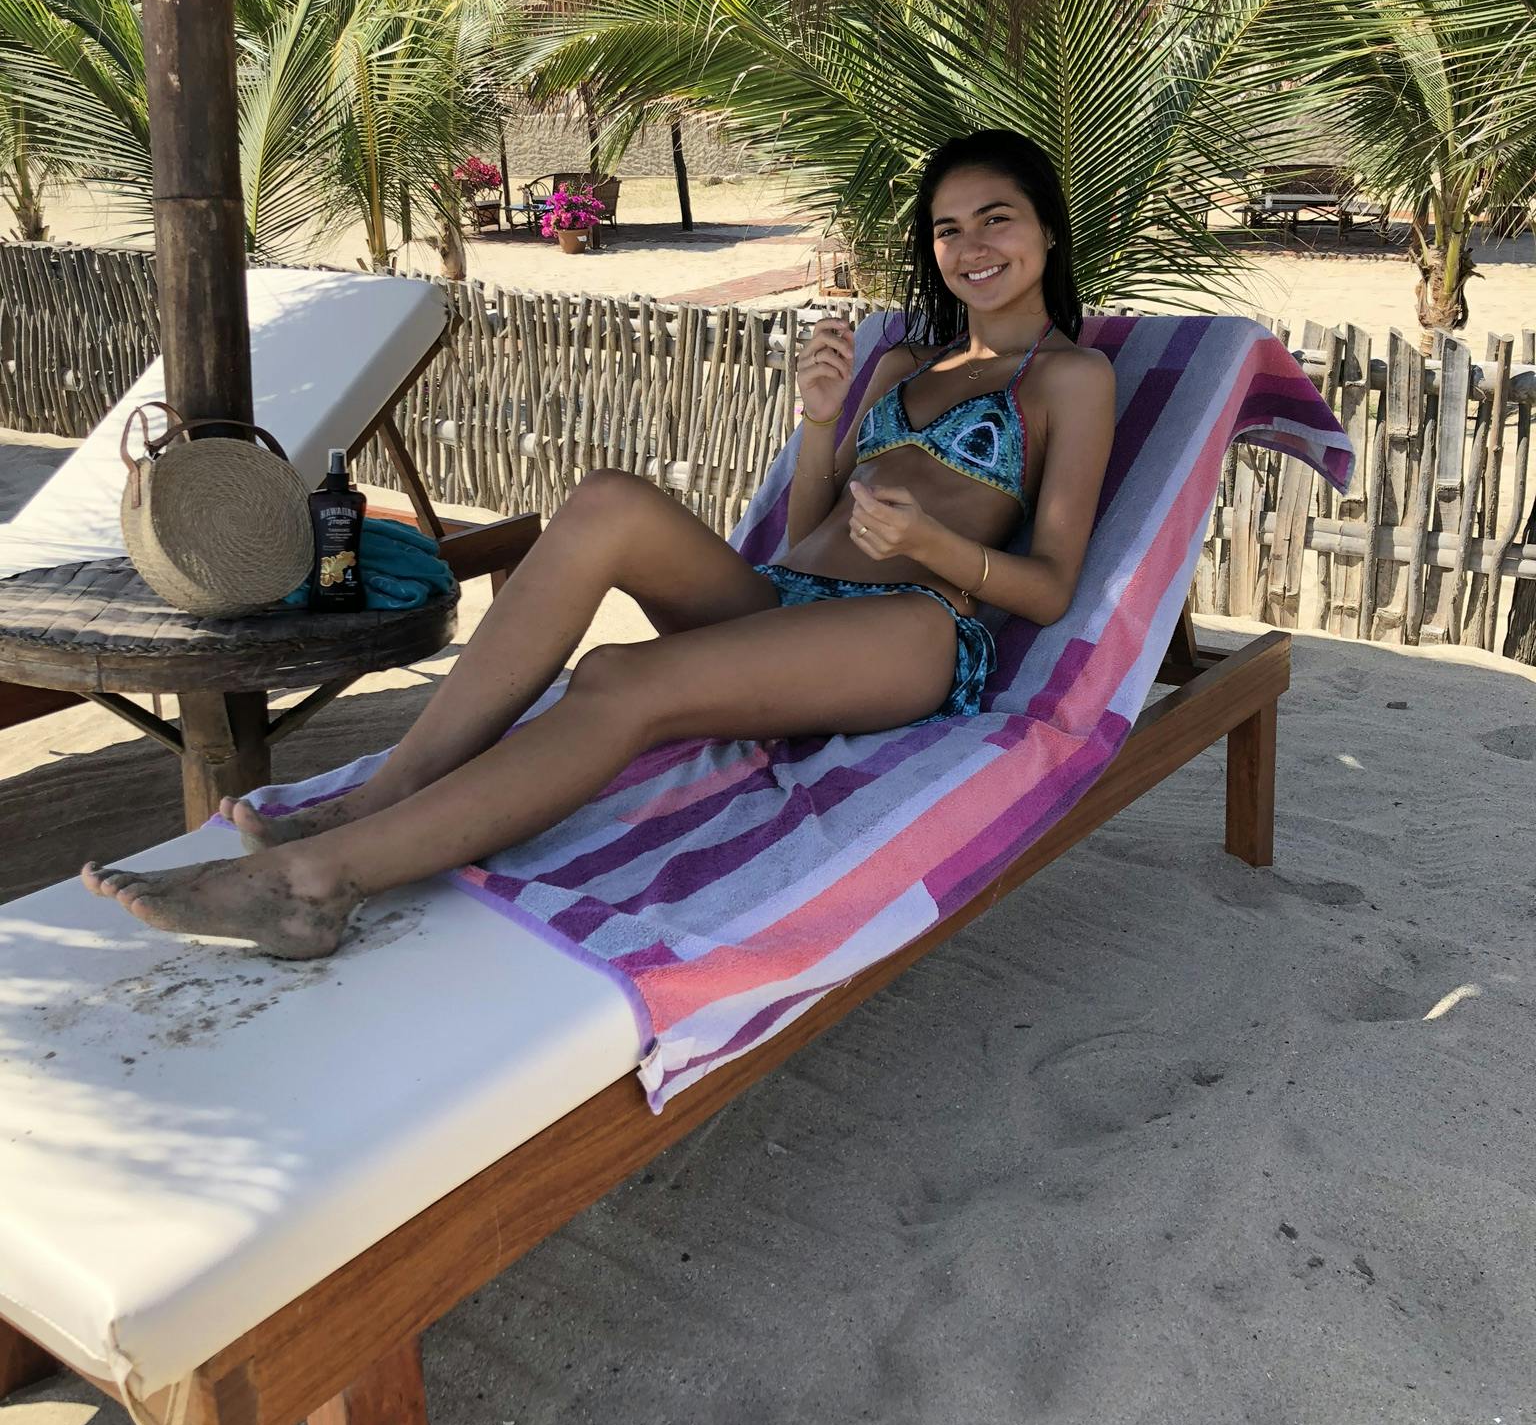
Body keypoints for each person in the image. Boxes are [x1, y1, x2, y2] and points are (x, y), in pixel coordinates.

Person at [83, 129, 1117, 958]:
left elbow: (1050, 588)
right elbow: (808, 533)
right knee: (608, 500)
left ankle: (318, 883)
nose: (971, 246)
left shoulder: (1073, 380)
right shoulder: (903, 366)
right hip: (789, 600)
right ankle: (392, 790)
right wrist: (816, 425)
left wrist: (931, 540)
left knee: (619, 675)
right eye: (947, 228)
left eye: (996, 218)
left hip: (913, 630)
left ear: (1046, 228)